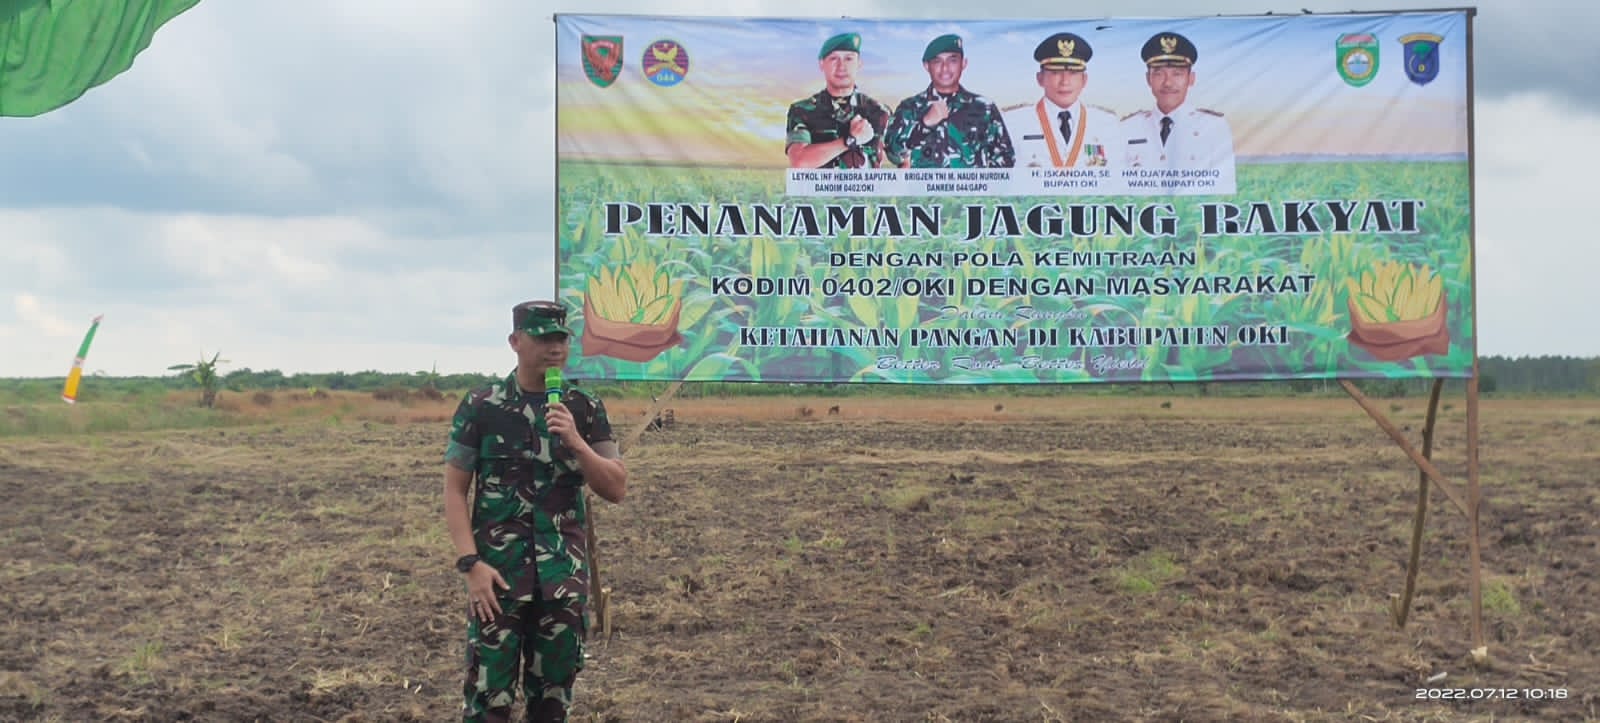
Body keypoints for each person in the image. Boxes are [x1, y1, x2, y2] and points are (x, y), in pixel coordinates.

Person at [443, 300, 627, 723]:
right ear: (515, 341)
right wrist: (471, 565)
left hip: (562, 579)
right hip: (497, 579)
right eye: (543, 338)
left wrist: (577, 443)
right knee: (489, 702)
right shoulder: (482, 406)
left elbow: (616, 488)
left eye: (560, 338)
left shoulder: (585, 407)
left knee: (552, 703)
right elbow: (455, 490)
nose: (554, 348)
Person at [884, 33, 1014, 168]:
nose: (945, 68)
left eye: (952, 60)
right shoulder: (909, 108)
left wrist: (981, 186)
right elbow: (893, 154)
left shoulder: (985, 108)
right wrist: (924, 125)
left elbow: (1006, 159)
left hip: (972, 188)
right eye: (937, 61)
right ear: (926, 66)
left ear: (964, 63)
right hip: (925, 189)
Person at [1003, 32, 1122, 168]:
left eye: (1073, 73)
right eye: (1056, 72)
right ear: (1040, 78)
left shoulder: (1107, 125)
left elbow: (1117, 180)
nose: (1065, 82)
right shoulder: (1013, 123)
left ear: (1084, 80)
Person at [1120, 32, 1235, 171]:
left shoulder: (1213, 127)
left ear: (1191, 78)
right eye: (1159, 73)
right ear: (1148, 79)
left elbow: (1223, 187)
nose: (1168, 83)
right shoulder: (1128, 127)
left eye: (1177, 74)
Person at [785, 32, 891, 169]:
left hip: (866, 190)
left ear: (859, 63)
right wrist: (849, 140)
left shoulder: (880, 111)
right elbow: (799, 162)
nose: (841, 66)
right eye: (834, 59)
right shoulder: (802, 110)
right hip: (820, 190)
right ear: (822, 64)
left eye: (849, 59)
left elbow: (904, 158)